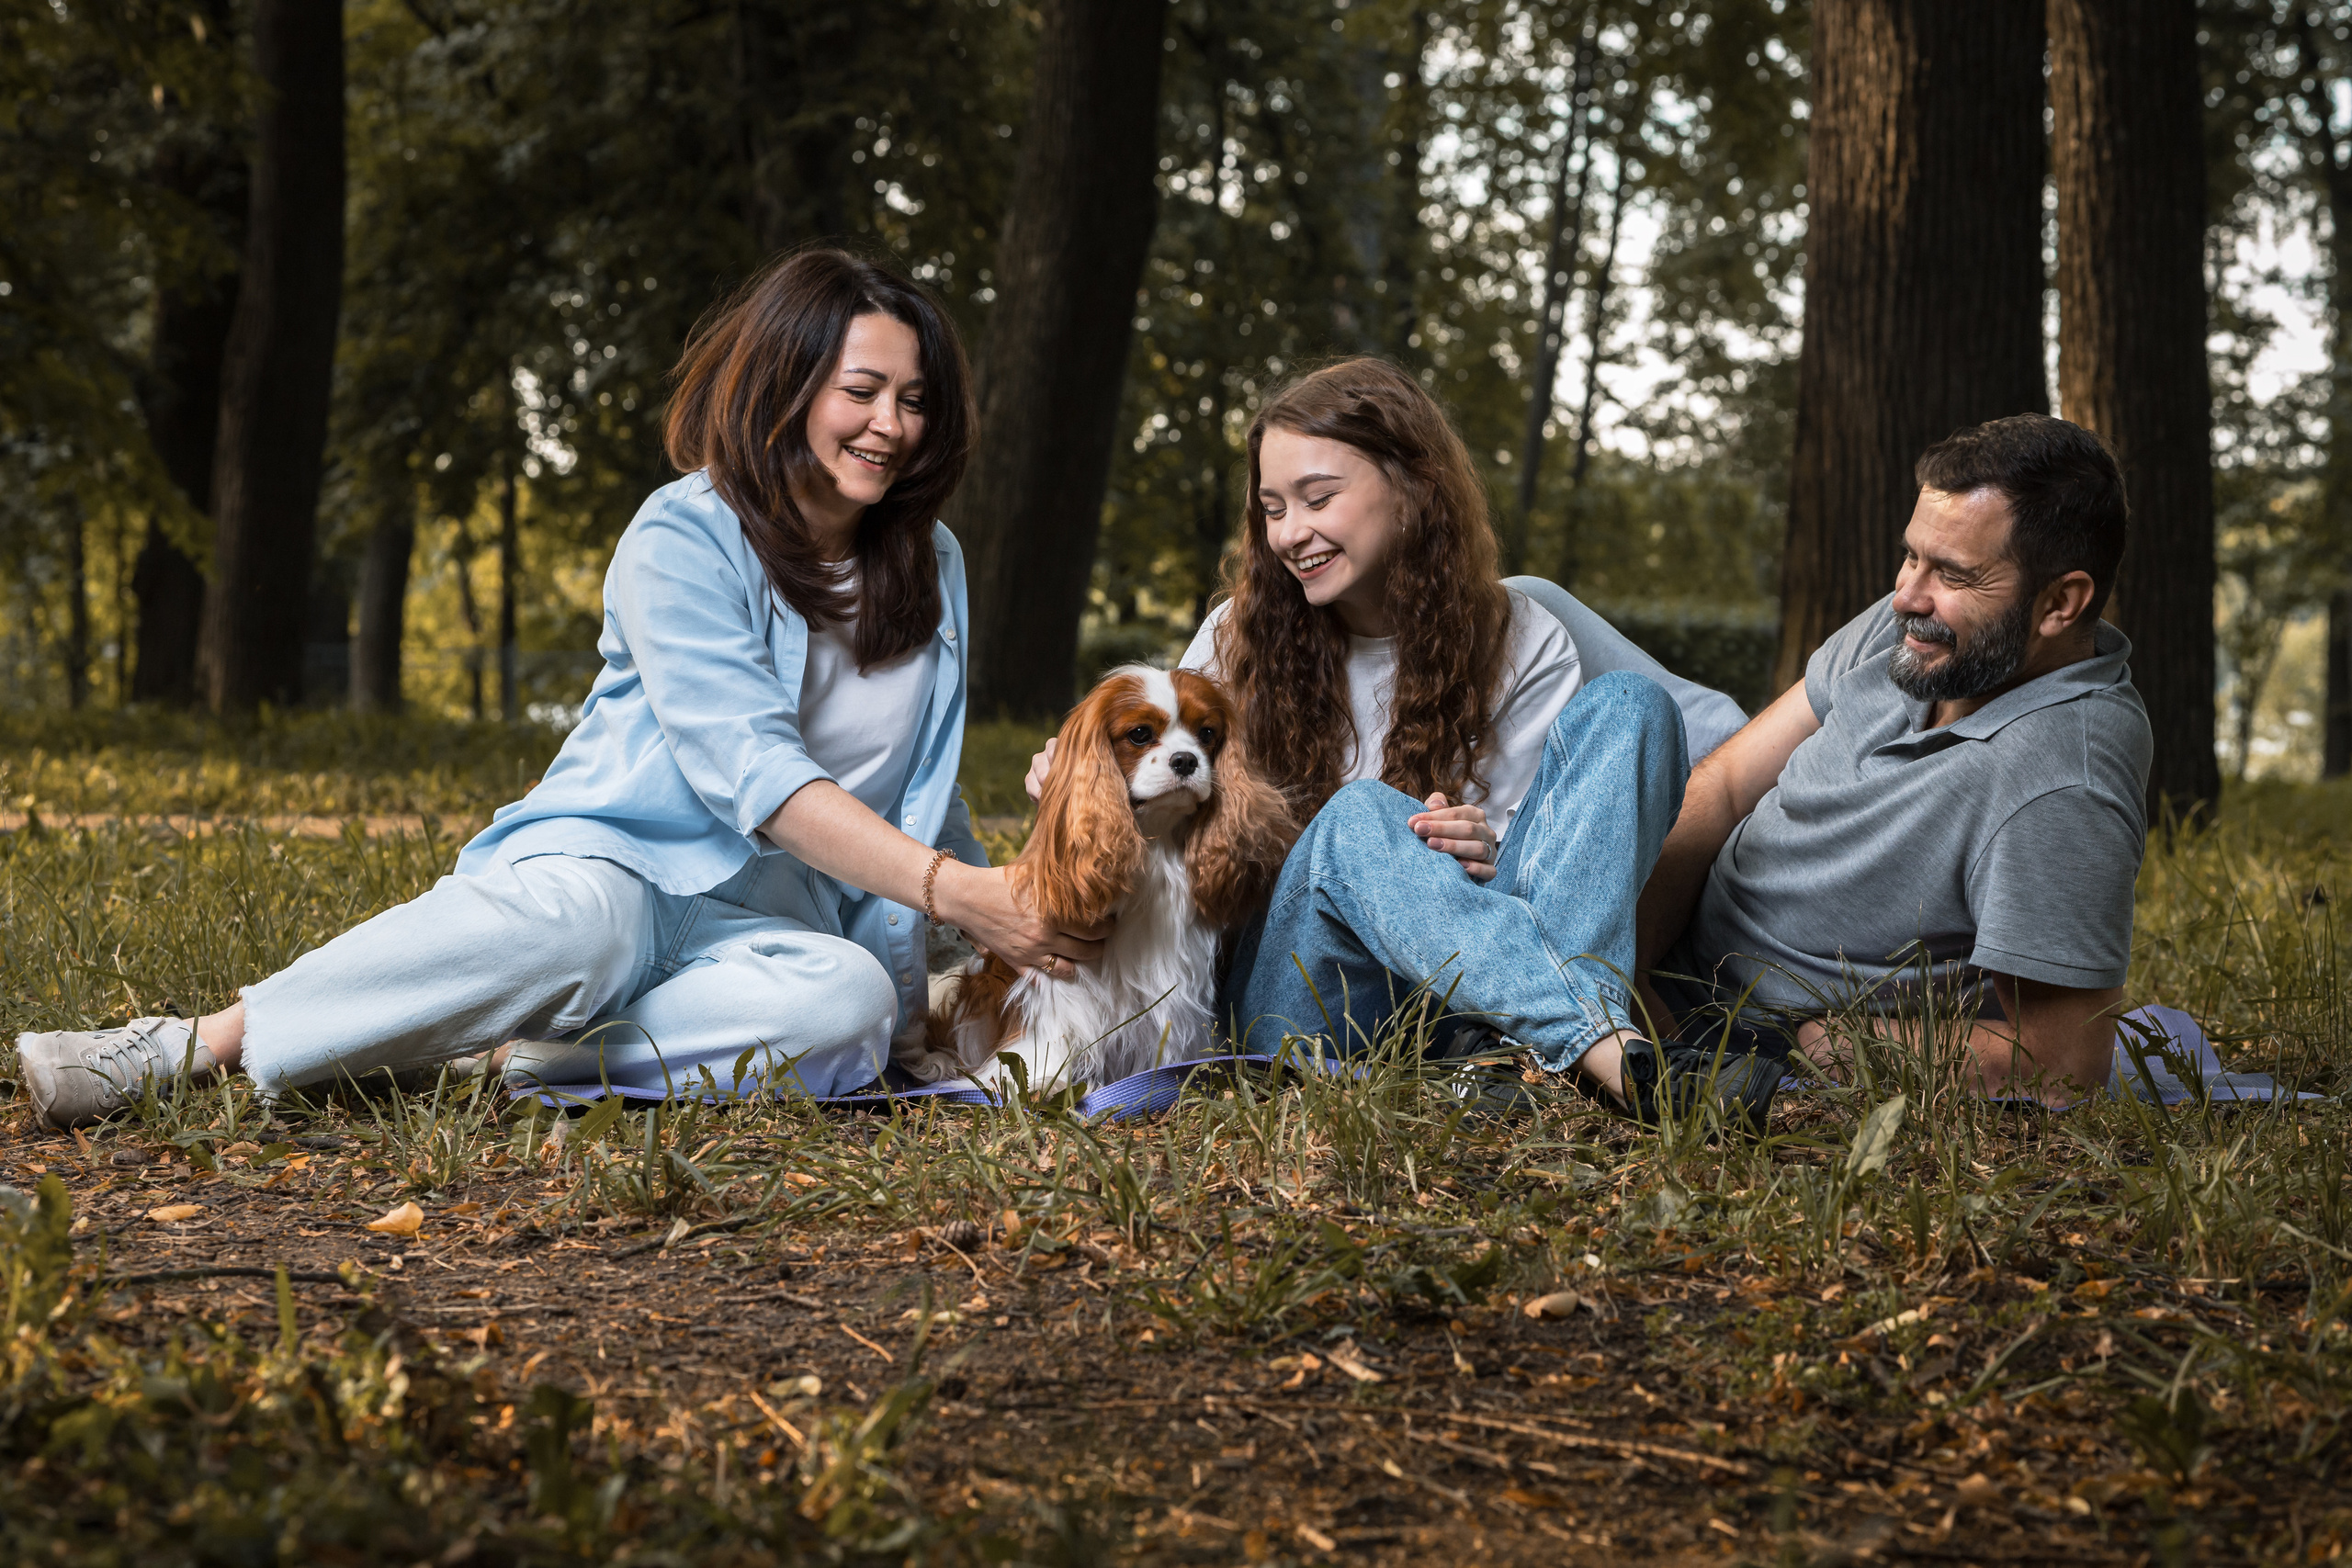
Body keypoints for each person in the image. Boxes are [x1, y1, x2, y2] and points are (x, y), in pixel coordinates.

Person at [19, 248, 1103, 1129]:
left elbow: (914, 788)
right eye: (860, 392)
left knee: (846, 1008)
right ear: (787, 386)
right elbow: (758, 774)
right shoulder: (685, 534)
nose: (891, 424)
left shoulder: (933, 563)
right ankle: (192, 1045)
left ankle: (515, 1062)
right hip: (614, 870)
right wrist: (953, 890)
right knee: (578, 940)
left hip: (773, 927)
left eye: (914, 401)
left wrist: (1005, 901)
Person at [1028, 356, 1769, 1122]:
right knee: (1359, 816)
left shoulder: (1524, 638)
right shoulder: (1234, 641)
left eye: (1319, 498)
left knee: (1636, 704)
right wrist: (1087, 772)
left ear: (1414, 486)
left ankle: (1517, 1063)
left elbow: (1545, 885)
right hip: (1302, 1006)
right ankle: (1611, 1054)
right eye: (1272, 508)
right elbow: (1179, 827)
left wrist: (1478, 847)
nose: (1290, 533)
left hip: (1465, 1003)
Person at [1636, 414, 2150, 1103]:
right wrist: (1626, 958)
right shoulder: (1921, 630)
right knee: (1538, 606)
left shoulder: (2061, 783)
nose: (1906, 596)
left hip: (1726, 1021)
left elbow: (2061, 1064)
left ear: (2060, 602)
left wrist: (1832, 1041)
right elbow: (1729, 781)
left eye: (1954, 574)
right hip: (1661, 929)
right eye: (1912, 556)